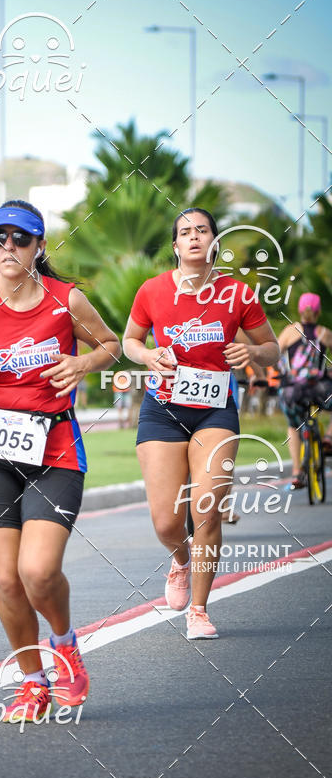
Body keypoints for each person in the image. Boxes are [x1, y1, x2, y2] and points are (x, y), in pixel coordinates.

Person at [0, 199, 120, 720]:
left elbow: (111, 345)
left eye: (20, 239)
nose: (8, 247)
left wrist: (83, 363)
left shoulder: (66, 300)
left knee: (37, 571)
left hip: (55, 449)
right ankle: (33, 684)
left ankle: (65, 645)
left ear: (39, 246)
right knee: (7, 580)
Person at [123, 208, 279, 640]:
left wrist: (253, 354)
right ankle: (180, 559)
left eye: (203, 230)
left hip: (215, 410)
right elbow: (130, 340)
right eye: (185, 232)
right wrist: (148, 354)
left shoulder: (238, 294)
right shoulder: (152, 290)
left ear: (215, 241)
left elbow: (271, 348)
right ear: (175, 245)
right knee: (166, 523)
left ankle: (199, 609)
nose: (194, 237)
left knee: (206, 511)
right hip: (163, 409)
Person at [277, 292, 332, 489]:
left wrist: (279, 374)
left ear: (300, 310)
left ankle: (296, 472)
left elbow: (274, 354)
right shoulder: (324, 333)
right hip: (320, 388)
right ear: (318, 312)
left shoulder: (290, 331)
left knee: (293, 426)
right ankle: (329, 437)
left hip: (293, 391)